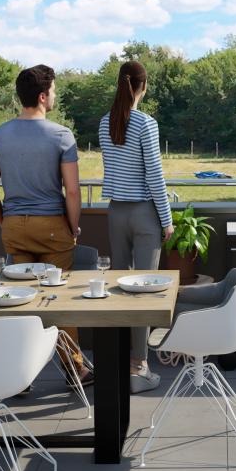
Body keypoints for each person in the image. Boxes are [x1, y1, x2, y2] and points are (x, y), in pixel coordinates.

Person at [0, 64, 90, 384]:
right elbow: (72, 191)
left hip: (15, 226)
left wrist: (6, 222)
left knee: (19, 301)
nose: (54, 95)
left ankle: (19, 377)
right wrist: (72, 226)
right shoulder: (61, 135)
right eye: (53, 90)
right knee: (58, 299)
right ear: (42, 96)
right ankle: (75, 369)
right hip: (53, 226)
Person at [99, 60, 172, 393]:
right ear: (144, 86)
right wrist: (167, 220)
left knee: (119, 288)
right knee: (143, 291)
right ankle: (139, 366)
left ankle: (118, 361)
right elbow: (155, 176)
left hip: (116, 213)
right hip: (143, 215)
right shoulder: (146, 123)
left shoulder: (105, 122)